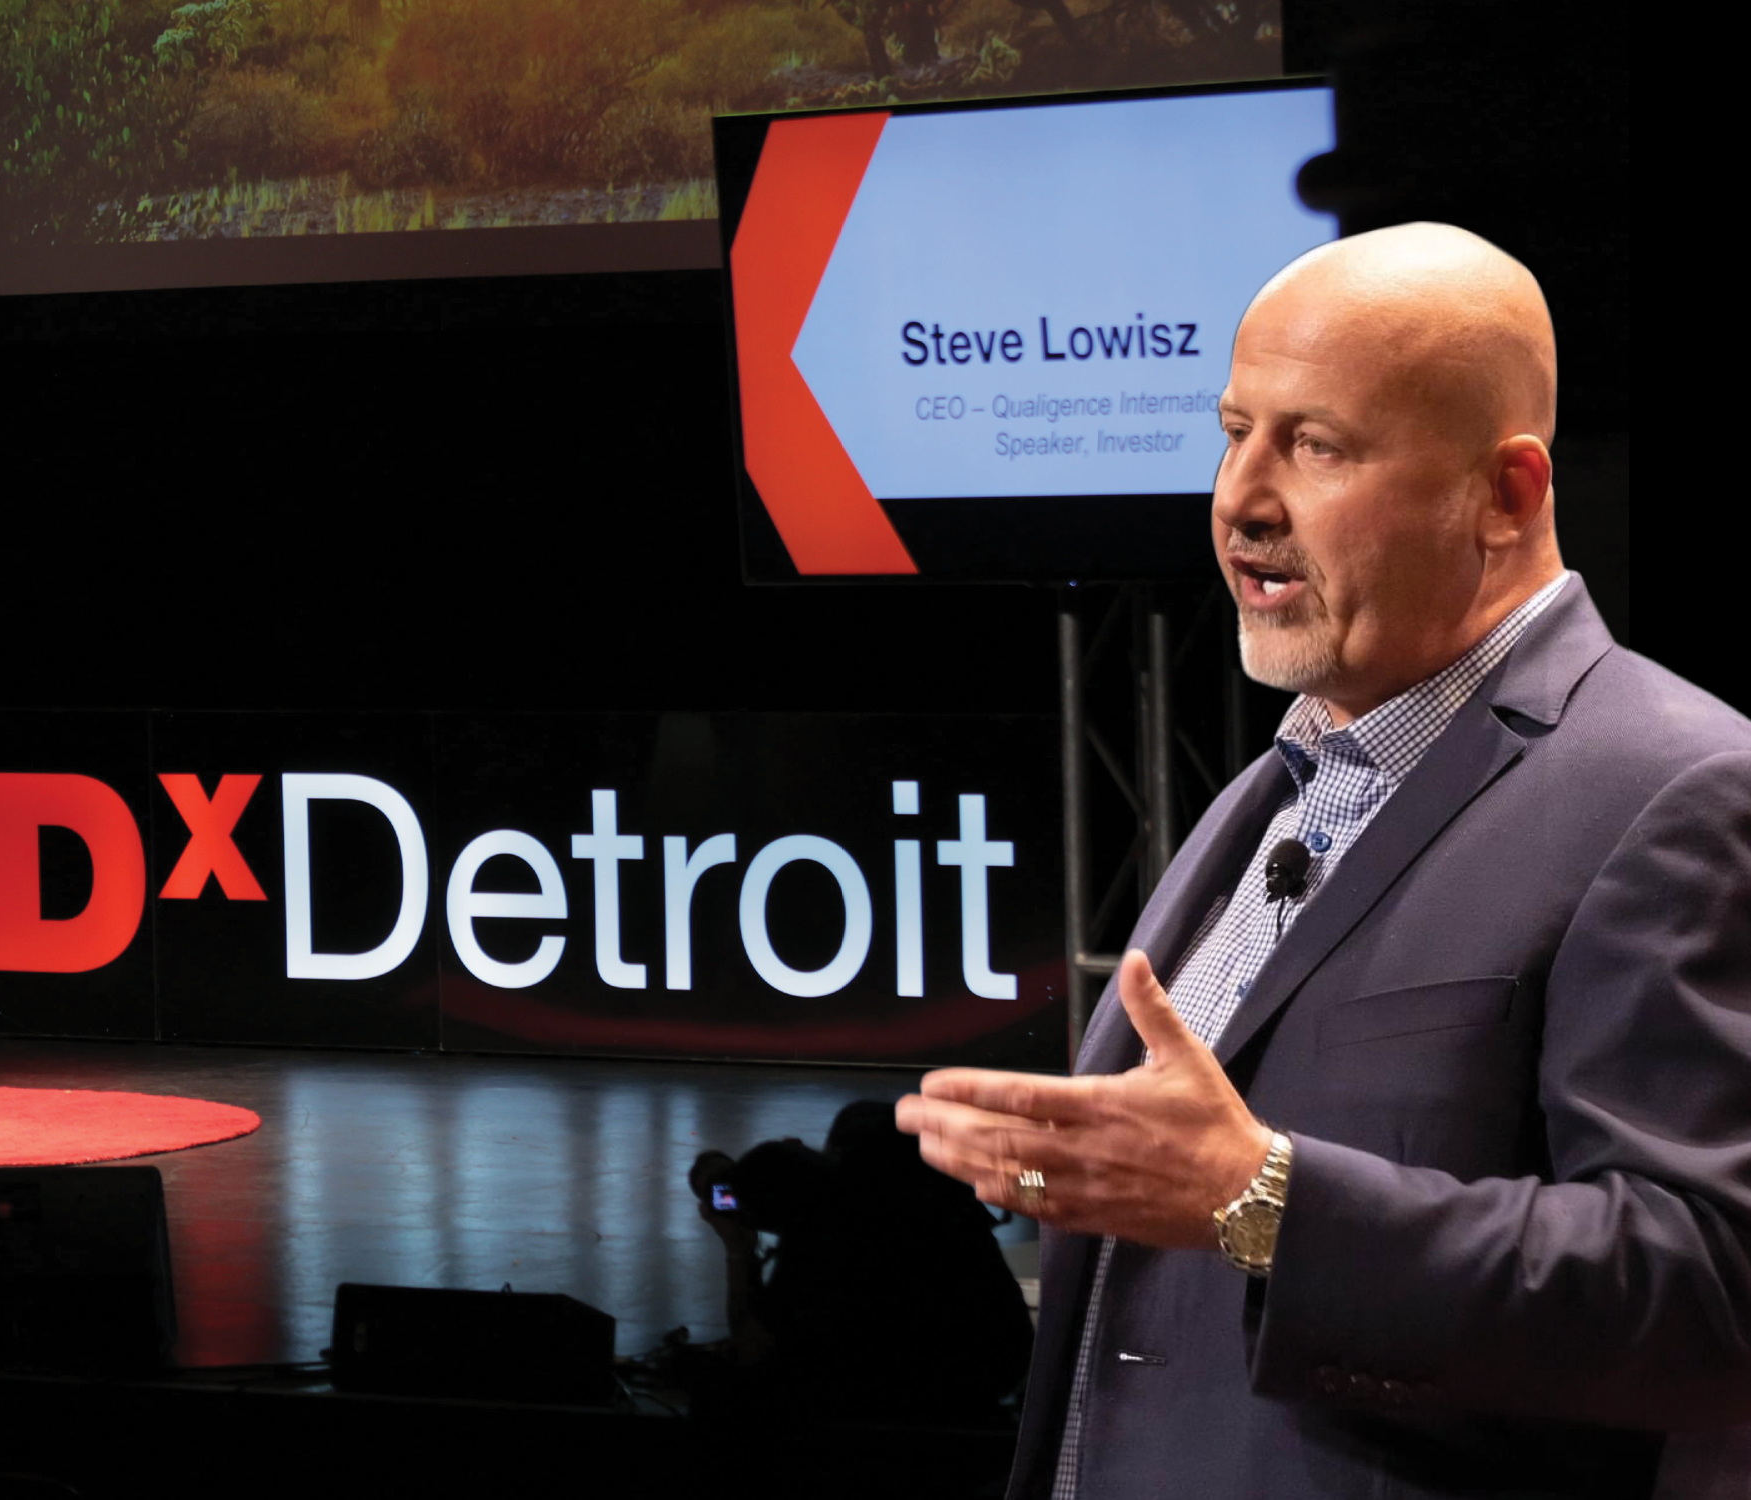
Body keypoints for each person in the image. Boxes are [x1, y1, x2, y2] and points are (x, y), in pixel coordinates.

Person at [893, 223, 1751, 1497]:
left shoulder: (1678, 790)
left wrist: (1263, 1202)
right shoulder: (1272, 788)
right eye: (1233, 430)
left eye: (1316, 445)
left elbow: (1707, 1297)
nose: (1239, 498)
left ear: (1505, 494)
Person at [682, 1100, 1035, 1427]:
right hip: (994, 1374)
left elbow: (748, 1350)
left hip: (888, 1405)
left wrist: (737, 1250)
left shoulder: (821, 1234)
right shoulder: (946, 1196)